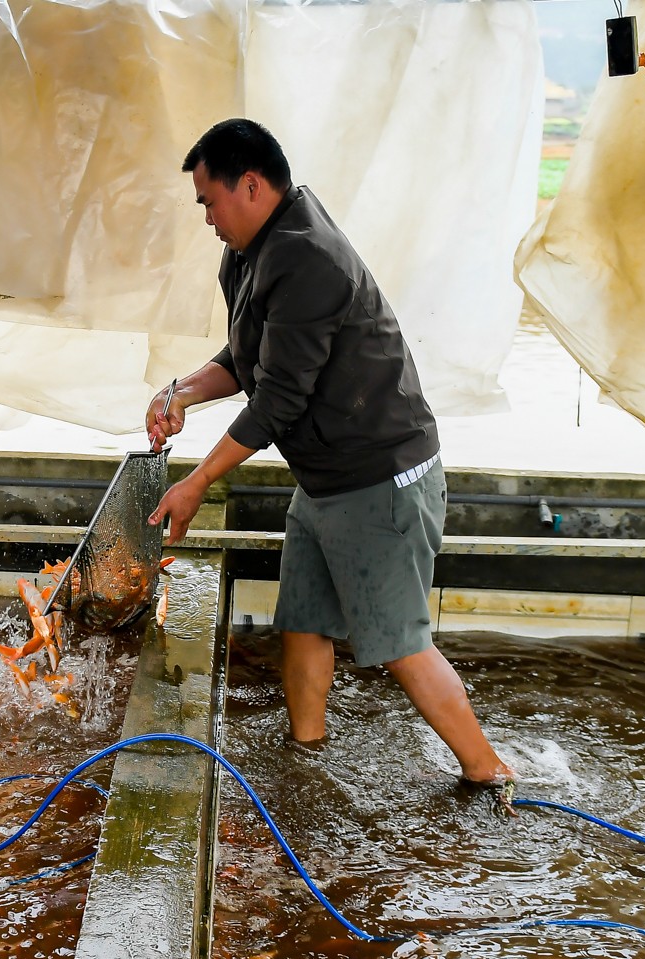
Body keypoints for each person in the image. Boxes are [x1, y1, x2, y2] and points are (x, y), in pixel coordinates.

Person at [147, 118, 512, 788]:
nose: (206, 218)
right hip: (324, 482)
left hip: (381, 479)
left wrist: (198, 479)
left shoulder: (309, 258)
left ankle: (490, 772)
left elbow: (278, 400)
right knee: (306, 621)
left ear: (250, 186)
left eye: (209, 201)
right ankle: (305, 757)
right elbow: (249, 358)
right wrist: (182, 392)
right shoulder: (250, 251)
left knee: (400, 644)